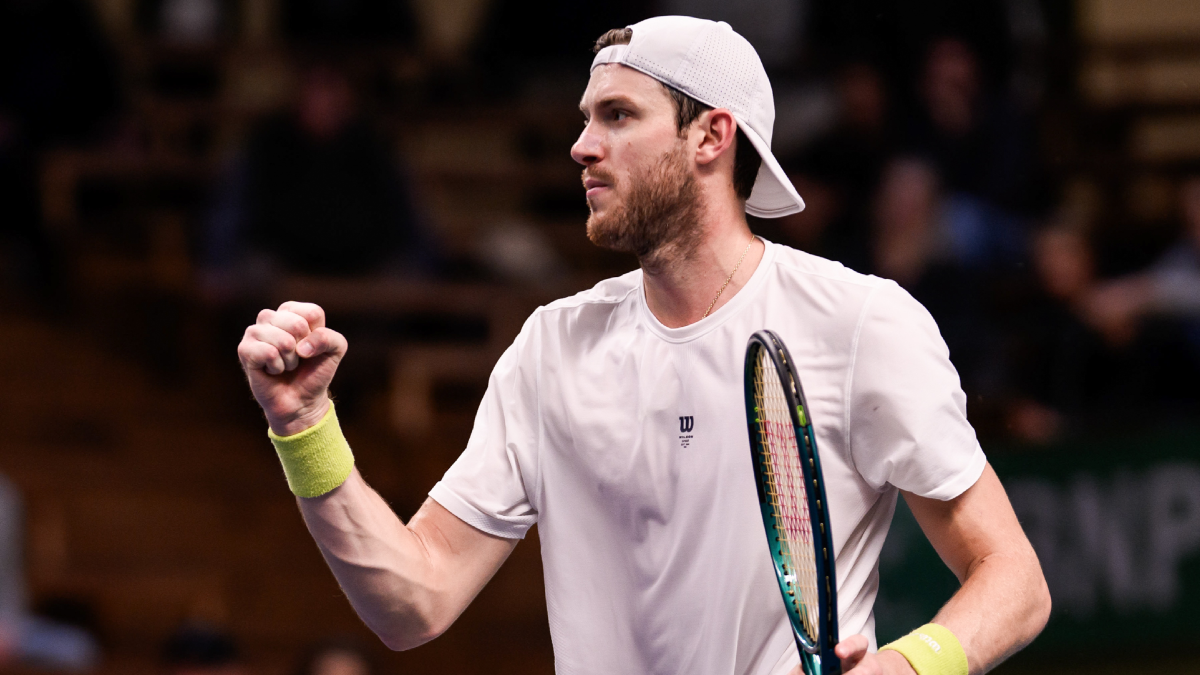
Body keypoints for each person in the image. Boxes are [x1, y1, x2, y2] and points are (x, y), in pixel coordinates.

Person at [237, 17, 1050, 675]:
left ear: (711, 137)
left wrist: (913, 666)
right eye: (586, 119)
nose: (581, 146)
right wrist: (305, 426)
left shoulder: (862, 323)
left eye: (617, 116)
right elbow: (413, 603)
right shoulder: (550, 348)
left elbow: (1015, 581)